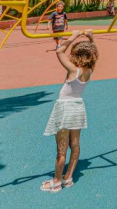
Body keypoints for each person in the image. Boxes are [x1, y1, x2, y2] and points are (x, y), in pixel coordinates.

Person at [41, 29, 98, 192]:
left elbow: (59, 51)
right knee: (75, 144)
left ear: (75, 54)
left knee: (61, 149)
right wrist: (91, 38)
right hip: (78, 107)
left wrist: (73, 36)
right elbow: (95, 54)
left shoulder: (74, 70)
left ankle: (56, 181)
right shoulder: (90, 70)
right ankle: (68, 177)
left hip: (65, 109)